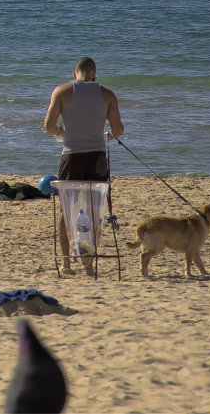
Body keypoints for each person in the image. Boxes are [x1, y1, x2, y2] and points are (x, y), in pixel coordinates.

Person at [43, 56, 125, 272]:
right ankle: (89, 265)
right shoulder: (107, 94)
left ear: (74, 74)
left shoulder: (62, 91)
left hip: (72, 155)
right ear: (94, 73)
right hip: (97, 156)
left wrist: (60, 131)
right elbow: (118, 130)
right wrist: (107, 135)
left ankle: (66, 262)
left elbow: (48, 125)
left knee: (66, 210)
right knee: (93, 209)